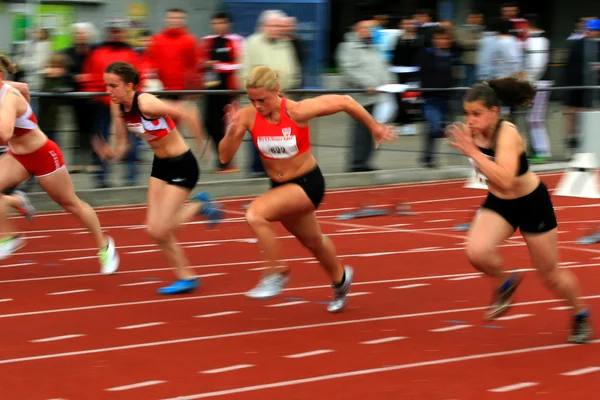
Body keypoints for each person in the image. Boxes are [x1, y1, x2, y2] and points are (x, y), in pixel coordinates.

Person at [218, 65, 397, 312]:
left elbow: (345, 101)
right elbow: (225, 157)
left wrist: (375, 126)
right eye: (252, 100)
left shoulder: (297, 111)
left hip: (307, 184)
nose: (257, 105)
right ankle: (341, 279)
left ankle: (276, 272)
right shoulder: (248, 117)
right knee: (313, 241)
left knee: (255, 214)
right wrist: (231, 131)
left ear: (276, 91)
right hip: (281, 187)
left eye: (262, 100)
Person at [446, 76, 591, 344]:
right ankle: (506, 281)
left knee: (550, 275)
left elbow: (506, 179)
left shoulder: (508, 133)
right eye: (467, 114)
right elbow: (493, 181)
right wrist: (473, 151)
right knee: (476, 251)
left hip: (531, 204)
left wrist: (473, 153)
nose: (470, 120)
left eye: (477, 114)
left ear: (494, 111)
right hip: (501, 203)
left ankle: (580, 313)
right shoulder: (474, 134)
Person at [94, 61, 223, 295]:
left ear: (129, 85)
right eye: (107, 86)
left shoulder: (145, 102)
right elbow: (123, 143)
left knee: (162, 229)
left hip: (182, 164)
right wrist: (112, 153)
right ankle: (186, 277)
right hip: (161, 165)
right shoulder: (117, 107)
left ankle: (200, 204)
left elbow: (189, 111)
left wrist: (203, 144)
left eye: (114, 86)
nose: (109, 91)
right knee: (154, 230)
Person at [0, 54, 119, 272]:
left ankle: (104, 245)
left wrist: (20, 112)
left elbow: (5, 133)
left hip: (44, 155)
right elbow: (25, 87)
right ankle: (10, 234)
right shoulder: (9, 86)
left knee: (71, 204)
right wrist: (26, 112)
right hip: (18, 157)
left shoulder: (8, 98)